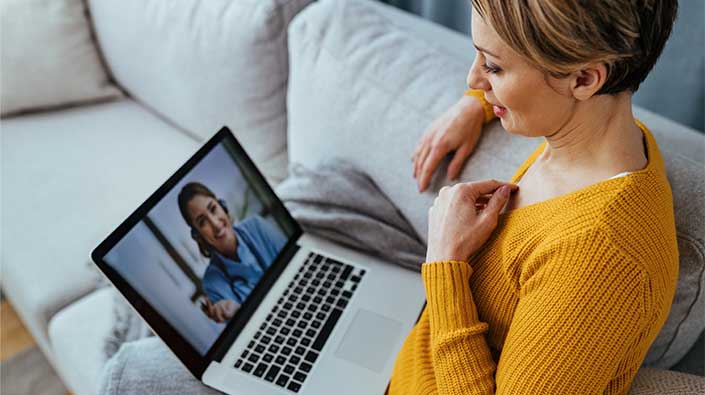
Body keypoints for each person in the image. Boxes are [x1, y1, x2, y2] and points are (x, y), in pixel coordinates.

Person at [394, 0, 679, 394]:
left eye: (492, 66)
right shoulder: (604, 133)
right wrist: (476, 105)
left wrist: (446, 263)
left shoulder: (600, 259)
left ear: (582, 80)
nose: (473, 78)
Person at [178, 182, 287, 323]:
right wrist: (236, 310)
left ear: (222, 207)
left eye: (213, 209)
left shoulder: (257, 226)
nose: (216, 225)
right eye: (202, 222)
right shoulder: (212, 282)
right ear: (198, 235)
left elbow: (294, 263)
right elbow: (248, 329)